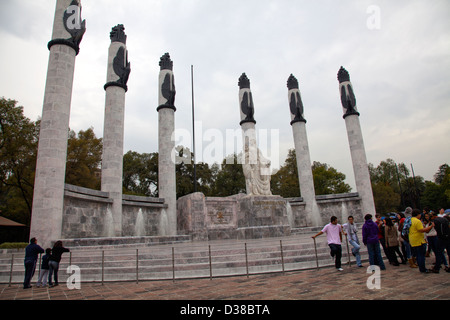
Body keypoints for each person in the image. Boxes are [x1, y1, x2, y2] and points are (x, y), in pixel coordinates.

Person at [409, 209, 434, 273]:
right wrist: (431, 226)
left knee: (418, 255)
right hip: (419, 240)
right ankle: (423, 269)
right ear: (418, 214)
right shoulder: (417, 221)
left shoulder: (410, 220)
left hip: (412, 240)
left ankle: (421, 268)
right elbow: (421, 230)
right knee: (421, 255)